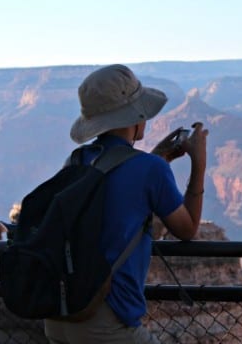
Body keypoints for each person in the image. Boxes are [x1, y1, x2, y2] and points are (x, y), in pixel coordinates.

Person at [44, 64, 208, 344]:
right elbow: (187, 228)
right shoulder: (150, 169)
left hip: (59, 316)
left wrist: (159, 158)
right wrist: (199, 163)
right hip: (107, 320)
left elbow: (117, 186)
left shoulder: (75, 160)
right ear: (136, 116)